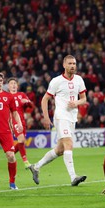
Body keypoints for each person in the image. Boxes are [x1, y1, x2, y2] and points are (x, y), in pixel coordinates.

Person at [27, 55, 87, 186]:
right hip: (61, 116)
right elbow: (45, 99)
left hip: (72, 118)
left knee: (60, 149)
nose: (73, 66)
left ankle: (36, 166)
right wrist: (46, 118)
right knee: (69, 144)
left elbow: (84, 99)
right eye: (70, 63)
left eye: (74, 63)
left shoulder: (79, 80)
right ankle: (73, 177)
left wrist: (76, 102)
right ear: (64, 65)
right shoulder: (56, 81)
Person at [7, 77, 32, 168]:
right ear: (8, 86)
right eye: (11, 83)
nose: (13, 85)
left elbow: (31, 106)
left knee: (22, 142)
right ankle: (26, 162)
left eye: (15, 83)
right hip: (14, 121)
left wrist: (27, 102)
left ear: (17, 86)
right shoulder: (6, 97)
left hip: (22, 121)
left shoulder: (22, 94)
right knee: (21, 139)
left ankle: (11, 153)